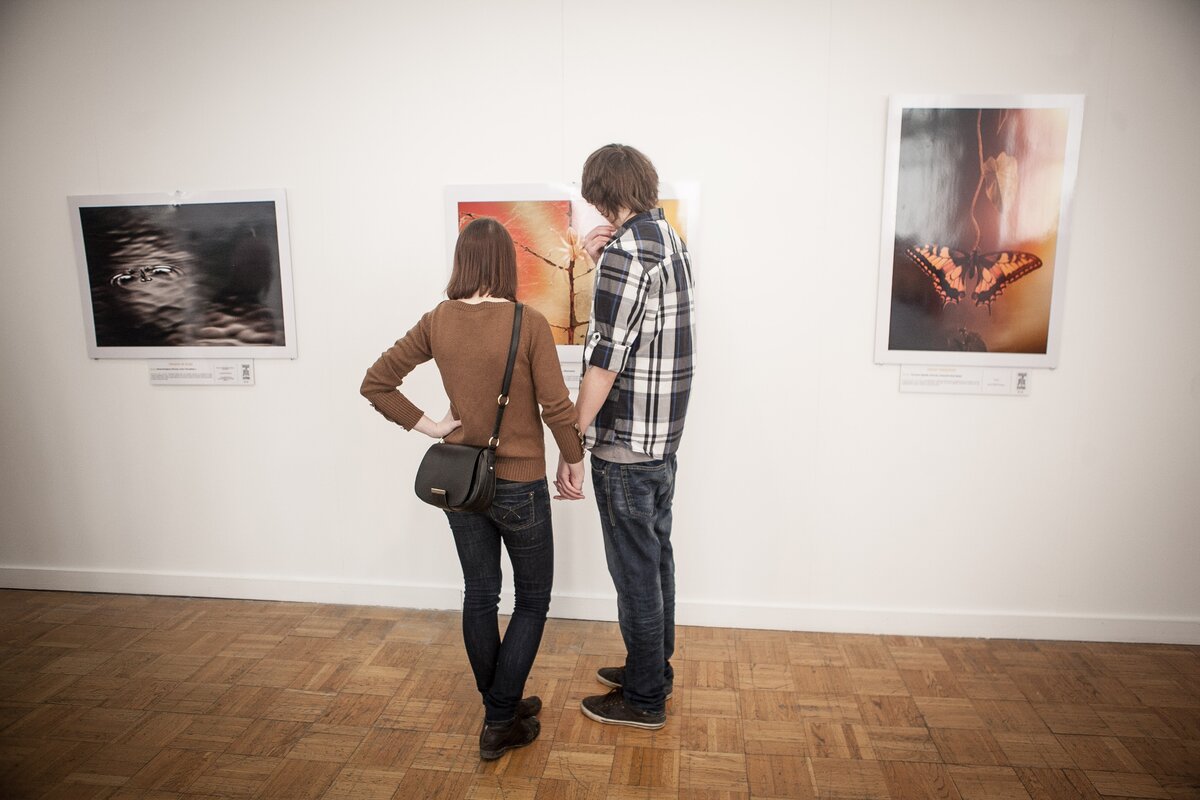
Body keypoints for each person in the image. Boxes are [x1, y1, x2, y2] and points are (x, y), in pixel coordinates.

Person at [360, 217, 585, 759]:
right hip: (520, 484)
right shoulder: (528, 322)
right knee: (532, 600)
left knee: (481, 595)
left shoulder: (438, 320)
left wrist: (436, 428)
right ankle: (501, 717)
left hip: (462, 482)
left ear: (462, 261)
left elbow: (376, 382)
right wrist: (573, 459)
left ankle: (500, 707)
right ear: (506, 263)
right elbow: (556, 406)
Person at [555, 144, 696, 730]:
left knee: (635, 573)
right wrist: (600, 261)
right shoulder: (669, 241)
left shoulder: (624, 254)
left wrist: (572, 439)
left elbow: (605, 360)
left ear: (603, 195)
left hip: (625, 444)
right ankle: (652, 670)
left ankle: (643, 699)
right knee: (655, 560)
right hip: (662, 440)